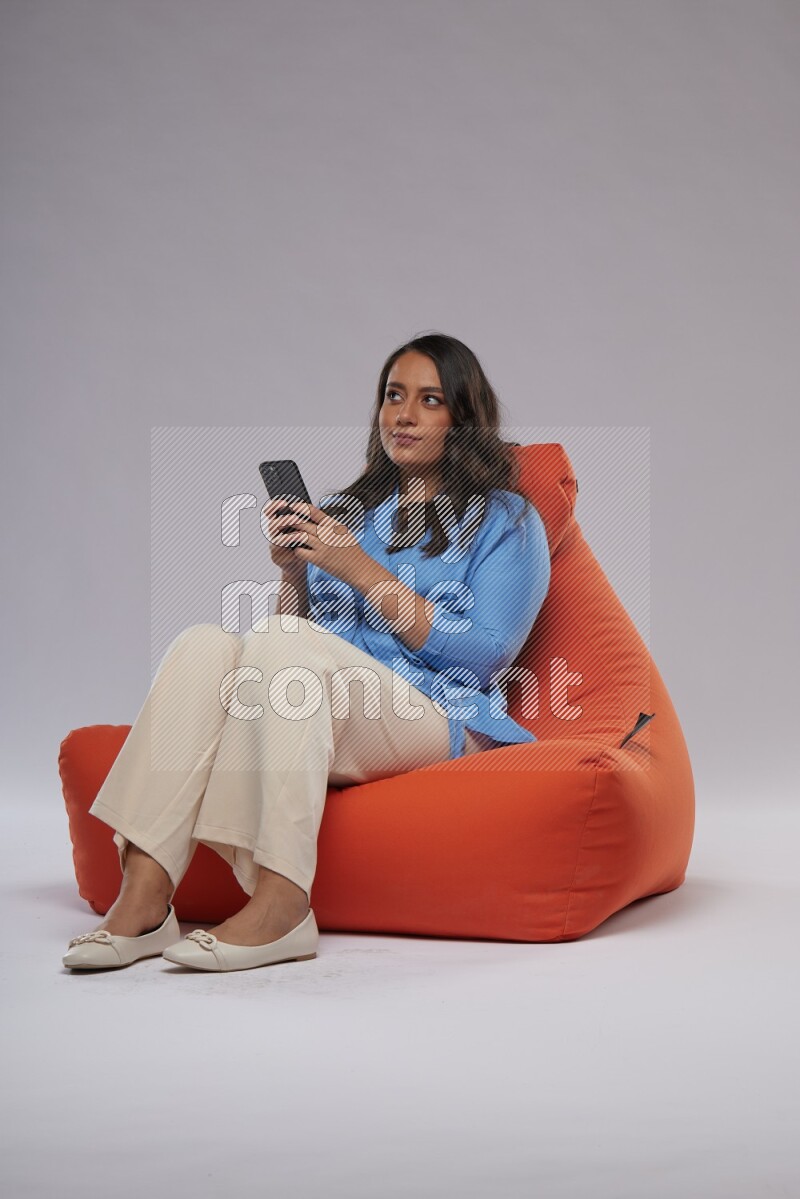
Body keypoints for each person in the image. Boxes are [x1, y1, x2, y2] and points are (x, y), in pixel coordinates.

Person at [62, 332, 551, 973]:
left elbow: (488, 653)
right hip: (334, 706)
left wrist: (363, 571)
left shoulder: (507, 520)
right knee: (204, 644)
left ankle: (284, 901)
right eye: (392, 395)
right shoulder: (354, 512)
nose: (402, 415)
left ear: (462, 417)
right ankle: (146, 897)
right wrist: (294, 575)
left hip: (440, 714)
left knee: (280, 643)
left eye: (429, 400)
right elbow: (289, 643)